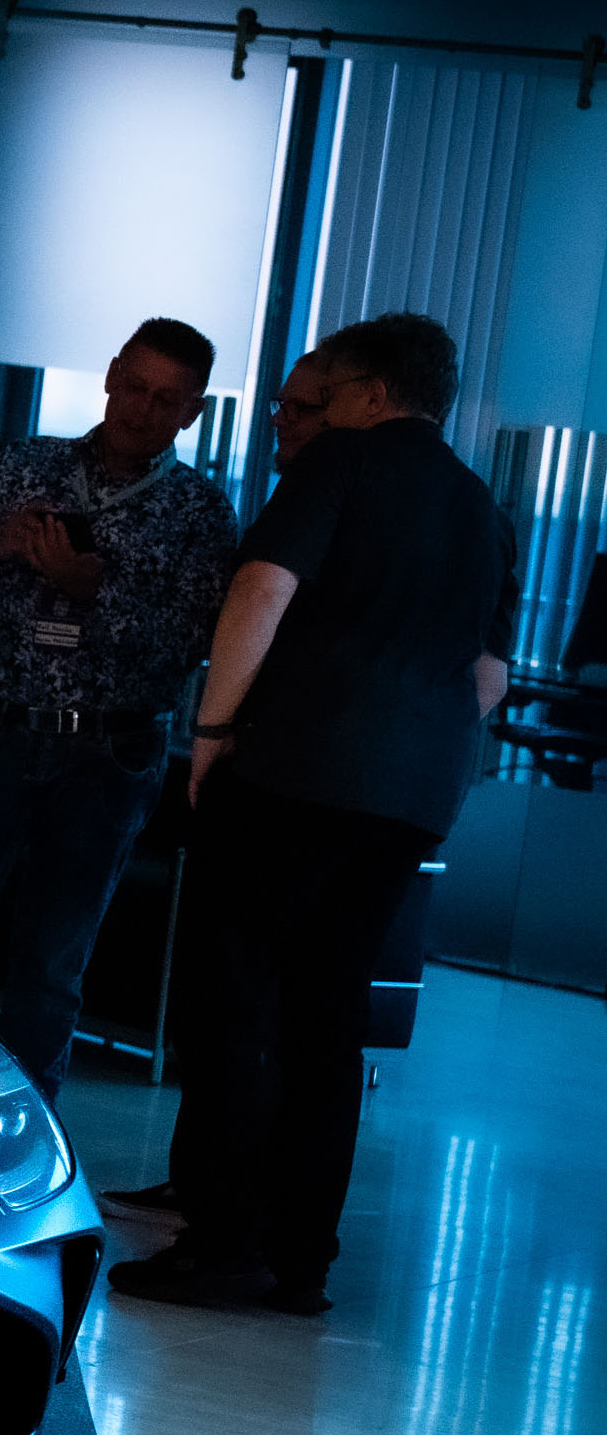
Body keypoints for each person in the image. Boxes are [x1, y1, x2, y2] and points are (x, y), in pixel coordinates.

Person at [111, 314, 517, 1316]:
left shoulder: (342, 463)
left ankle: (221, 1244)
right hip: (412, 797)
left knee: (234, 1002)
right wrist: (411, 743)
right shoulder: (482, 507)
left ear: (373, 392)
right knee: (328, 1019)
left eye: (329, 394)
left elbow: (260, 590)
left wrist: (213, 728)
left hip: (297, 773)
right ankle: (302, 1261)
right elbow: (488, 674)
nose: (318, 414)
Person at [0, 319, 237, 1099]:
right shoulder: (27, 463)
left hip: (107, 754)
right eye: (135, 387)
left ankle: (31, 1135)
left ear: (192, 412)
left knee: (52, 966)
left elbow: (194, 642)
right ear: (111, 375)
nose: (141, 410)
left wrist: (93, 592)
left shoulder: (200, 511)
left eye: (165, 400)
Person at [98, 342, 335, 1229]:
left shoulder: (294, 502)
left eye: (303, 408)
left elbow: (236, 613)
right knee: (229, 998)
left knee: (246, 998)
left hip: (274, 780)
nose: (282, 420)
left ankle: (228, 1202)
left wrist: (209, 734)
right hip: (298, 781)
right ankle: (206, 1184)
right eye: (281, 404)